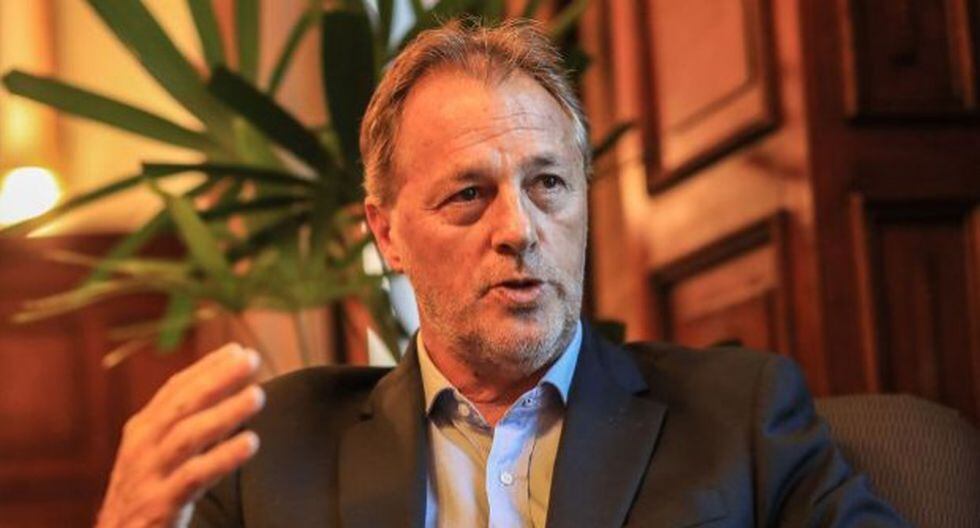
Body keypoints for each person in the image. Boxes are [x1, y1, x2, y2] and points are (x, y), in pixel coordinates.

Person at [96, 19, 907, 528]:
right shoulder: (269, 448)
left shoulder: (740, 414)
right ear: (387, 233)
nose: (519, 229)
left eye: (547, 183)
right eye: (469, 195)